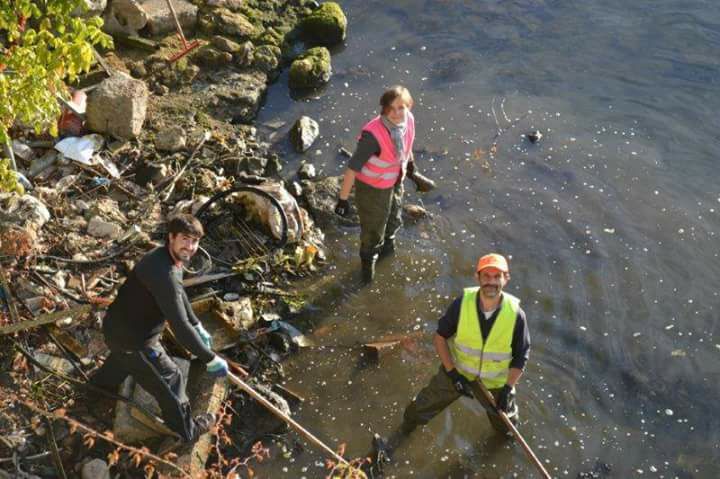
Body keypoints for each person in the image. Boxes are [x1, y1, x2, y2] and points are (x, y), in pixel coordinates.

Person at [88, 213, 229, 443]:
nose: (190, 247)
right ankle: (188, 430)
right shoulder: (164, 273)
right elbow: (180, 327)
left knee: (123, 361)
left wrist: (197, 323)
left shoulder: (165, 258)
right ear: (171, 237)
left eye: (194, 241)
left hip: (117, 328)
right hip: (135, 342)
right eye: (185, 239)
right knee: (172, 378)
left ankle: (94, 390)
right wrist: (210, 358)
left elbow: (179, 294)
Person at [378, 253, 531, 457]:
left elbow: (521, 356)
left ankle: (503, 451)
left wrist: (507, 388)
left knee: (507, 428)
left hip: (496, 383)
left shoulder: (516, 314)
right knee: (418, 409)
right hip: (458, 372)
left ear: (506, 278)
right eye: (486, 276)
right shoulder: (462, 304)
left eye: (497, 276)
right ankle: (397, 440)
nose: (491, 282)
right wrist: (452, 374)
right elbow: (440, 337)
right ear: (477, 278)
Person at [334, 85, 418, 283]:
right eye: (390, 109)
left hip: (395, 180)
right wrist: (343, 200)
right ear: (384, 109)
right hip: (372, 188)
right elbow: (352, 168)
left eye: (401, 108)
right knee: (373, 232)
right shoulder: (373, 136)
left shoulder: (409, 121)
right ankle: (367, 273)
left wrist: (411, 165)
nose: (396, 114)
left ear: (409, 107)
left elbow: (407, 144)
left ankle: (388, 256)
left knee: (393, 219)